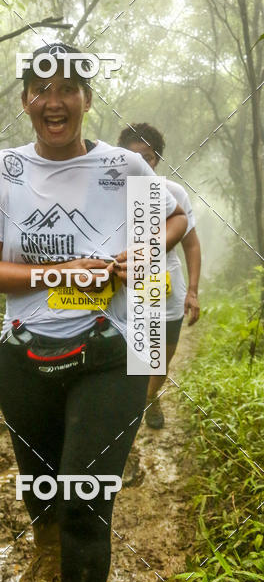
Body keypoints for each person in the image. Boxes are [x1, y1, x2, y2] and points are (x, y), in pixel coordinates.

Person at [0, 43, 188, 582]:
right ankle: (45, 551)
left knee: (86, 503)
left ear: (88, 98)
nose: (53, 100)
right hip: (25, 356)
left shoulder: (124, 167)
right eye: (40, 88)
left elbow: (180, 216)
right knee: (43, 497)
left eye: (67, 88)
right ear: (25, 99)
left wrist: (141, 253)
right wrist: (64, 275)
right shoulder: (4, 169)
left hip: (108, 354)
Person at [118, 124, 201, 429]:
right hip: (124, 292)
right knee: (134, 361)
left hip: (167, 290)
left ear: (157, 161)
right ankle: (129, 418)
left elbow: (191, 244)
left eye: (148, 158)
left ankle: (150, 397)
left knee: (161, 360)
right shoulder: (109, 193)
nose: (141, 163)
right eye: (132, 156)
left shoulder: (173, 193)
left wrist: (192, 291)